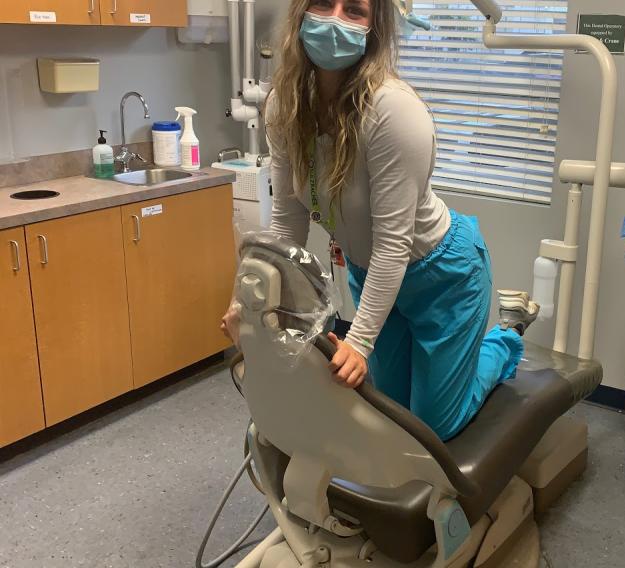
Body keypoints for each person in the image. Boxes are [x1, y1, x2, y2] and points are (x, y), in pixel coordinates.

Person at [222, 0, 539, 441]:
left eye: (354, 10)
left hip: (442, 276)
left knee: (434, 427)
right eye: (322, 4)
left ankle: (504, 339)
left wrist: (360, 342)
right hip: (371, 273)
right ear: (299, 12)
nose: (334, 21)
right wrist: (251, 302)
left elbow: (393, 243)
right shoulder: (285, 106)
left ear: (375, 28)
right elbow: (288, 222)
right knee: (393, 412)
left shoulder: (393, 112)